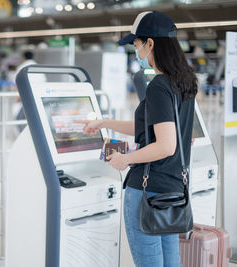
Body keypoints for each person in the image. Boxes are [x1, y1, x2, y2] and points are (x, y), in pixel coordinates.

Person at [79, 11, 197, 267]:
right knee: (170, 262)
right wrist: (105, 122)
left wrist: (126, 159)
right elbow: (156, 128)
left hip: (147, 190)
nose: (136, 51)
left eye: (136, 44)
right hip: (173, 189)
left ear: (150, 43)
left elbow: (166, 145)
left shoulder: (158, 85)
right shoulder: (185, 82)